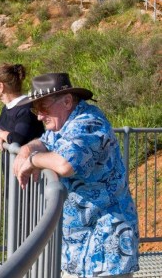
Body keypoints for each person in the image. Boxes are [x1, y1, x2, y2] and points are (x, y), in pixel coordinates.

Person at [13, 73, 139, 277]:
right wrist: (27, 149)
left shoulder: (89, 124)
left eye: (43, 108)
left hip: (107, 243)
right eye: (35, 109)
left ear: (67, 101)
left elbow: (64, 164)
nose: (39, 116)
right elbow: (45, 142)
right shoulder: (65, 123)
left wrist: (32, 161)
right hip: (82, 243)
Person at [0, 63, 44, 151]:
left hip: (28, 163)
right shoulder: (7, 108)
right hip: (13, 164)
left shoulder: (27, 108)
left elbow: (19, 139)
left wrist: (1, 134)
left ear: (1, 86)